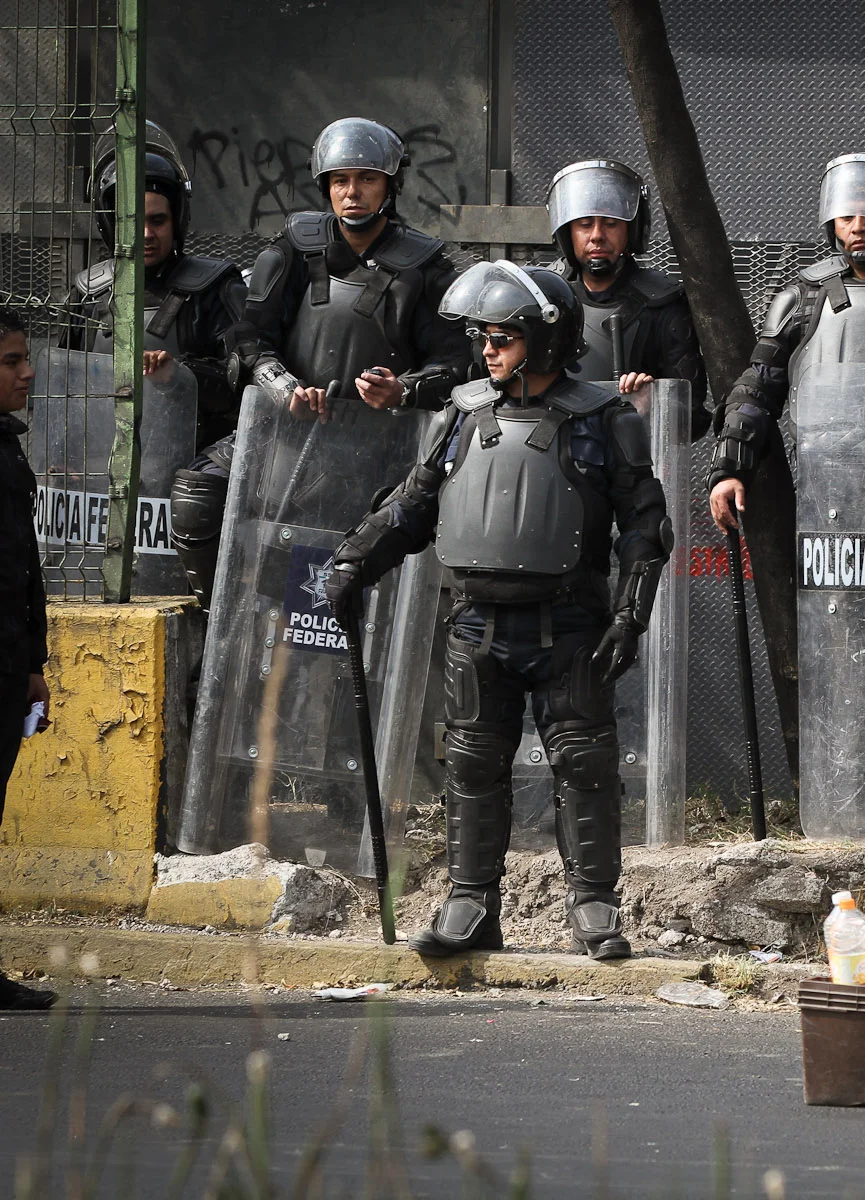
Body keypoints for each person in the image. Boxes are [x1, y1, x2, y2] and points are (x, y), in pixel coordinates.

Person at [326, 261, 671, 960]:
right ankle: (471, 903)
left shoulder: (602, 416)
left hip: (571, 623)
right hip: (476, 624)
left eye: (504, 338)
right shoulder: (463, 410)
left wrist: (631, 615)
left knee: (583, 762)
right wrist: (352, 563)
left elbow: (646, 524)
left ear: (545, 341)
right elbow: (415, 503)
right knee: (472, 762)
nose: (487, 349)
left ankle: (595, 905)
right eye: (484, 336)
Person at [707, 153, 865, 833]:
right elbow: (757, 390)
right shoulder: (805, 293)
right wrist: (729, 467)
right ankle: (840, 807)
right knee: (837, 661)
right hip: (831, 511)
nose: (857, 224)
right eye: (846, 212)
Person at [169, 117, 466, 610]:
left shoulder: (427, 267)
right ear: (325, 186)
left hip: (377, 446)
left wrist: (404, 390)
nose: (353, 192)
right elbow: (249, 340)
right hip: (285, 430)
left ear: (390, 186)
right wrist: (286, 390)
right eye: (340, 180)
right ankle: (216, 616)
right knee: (197, 494)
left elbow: (457, 364)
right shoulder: (293, 246)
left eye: (367, 179)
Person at [67, 120, 246, 453]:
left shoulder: (214, 288)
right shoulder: (89, 292)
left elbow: (243, 385)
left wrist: (179, 375)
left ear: (176, 218)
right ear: (110, 222)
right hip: (98, 464)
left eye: (158, 220)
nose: (146, 234)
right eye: (132, 221)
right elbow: (64, 389)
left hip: (193, 468)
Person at [546, 158, 707, 432]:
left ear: (630, 230)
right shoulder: (545, 301)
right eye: (585, 224)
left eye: (610, 223)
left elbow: (691, 414)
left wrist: (653, 403)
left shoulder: (662, 303)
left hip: (635, 461)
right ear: (567, 232)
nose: (597, 236)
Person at [0, 307, 57, 1010]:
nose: (27, 371)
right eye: (11, 361)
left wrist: (33, 664)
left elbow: (22, 571)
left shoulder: (8, 447)